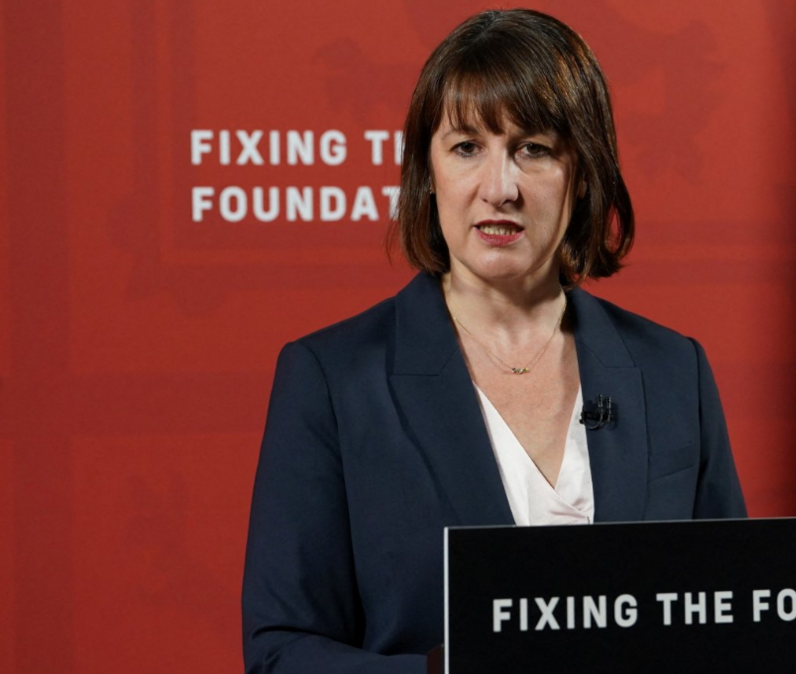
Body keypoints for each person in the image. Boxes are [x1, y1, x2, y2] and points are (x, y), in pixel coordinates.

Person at [242, 9, 745, 673]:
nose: (499, 187)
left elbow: (736, 622)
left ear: (583, 172)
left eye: (533, 149)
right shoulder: (333, 380)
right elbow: (281, 653)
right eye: (466, 148)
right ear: (429, 174)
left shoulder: (673, 369)